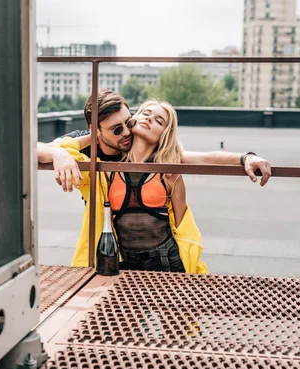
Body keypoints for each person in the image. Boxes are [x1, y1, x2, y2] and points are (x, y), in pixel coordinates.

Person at [50, 99, 209, 273]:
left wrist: (244, 158)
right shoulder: (105, 171)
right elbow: (54, 148)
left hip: (166, 259)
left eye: (159, 120)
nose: (149, 119)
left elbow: (184, 231)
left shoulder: (169, 174)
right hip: (123, 259)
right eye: (146, 114)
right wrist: (93, 137)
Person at [37, 90, 272, 193]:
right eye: (116, 130)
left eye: (129, 122)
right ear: (96, 130)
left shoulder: (153, 150)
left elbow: (204, 157)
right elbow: (33, 148)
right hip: (105, 231)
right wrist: (58, 154)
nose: (125, 133)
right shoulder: (83, 143)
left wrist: (246, 157)